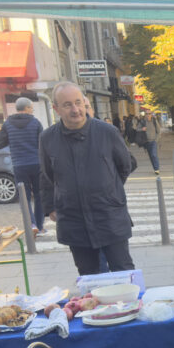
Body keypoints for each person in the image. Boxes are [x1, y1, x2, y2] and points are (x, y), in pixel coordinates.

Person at [41, 81, 136, 275]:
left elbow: (125, 165)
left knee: (123, 272)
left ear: (85, 103)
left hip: (109, 215)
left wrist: (108, 188)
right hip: (74, 220)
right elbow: (47, 174)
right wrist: (51, 206)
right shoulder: (47, 138)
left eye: (78, 102)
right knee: (89, 276)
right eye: (67, 105)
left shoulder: (107, 132)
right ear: (56, 109)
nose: (75, 109)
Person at [0, 97, 45, 234]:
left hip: (19, 165)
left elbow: (0, 144)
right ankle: (40, 226)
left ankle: (32, 225)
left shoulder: (7, 124)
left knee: (24, 197)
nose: (32, 110)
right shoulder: (35, 123)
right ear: (28, 108)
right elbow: (43, 143)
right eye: (32, 108)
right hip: (36, 163)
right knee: (39, 195)